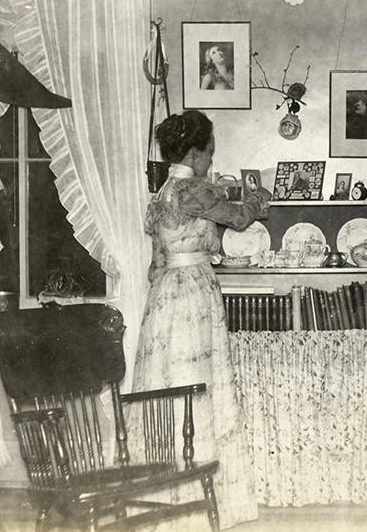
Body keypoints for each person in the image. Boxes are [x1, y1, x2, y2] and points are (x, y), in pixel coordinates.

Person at [130, 110, 269, 530]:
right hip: (192, 291)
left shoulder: (163, 193)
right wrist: (259, 196)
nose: (211, 160)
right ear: (196, 151)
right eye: (210, 152)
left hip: (166, 293)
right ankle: (193, 495)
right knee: (196, 386)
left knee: (167, 384)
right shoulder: (192, 187)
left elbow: (156, 262)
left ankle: (168, 494)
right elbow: (241, 219)